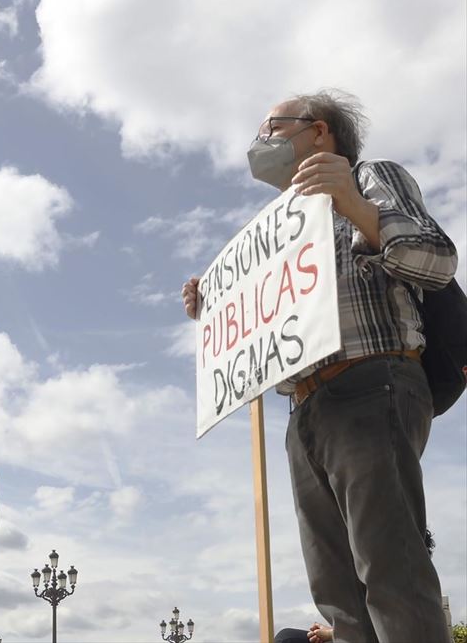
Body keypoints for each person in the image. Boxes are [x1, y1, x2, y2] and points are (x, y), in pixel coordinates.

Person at [182, 90, 457, 641]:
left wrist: (355, 207)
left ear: (319, 131)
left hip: (369, 382)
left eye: (270, 127)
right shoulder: (279, 227)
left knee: (390, 570)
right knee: (337, 593)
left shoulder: (370, 176)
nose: (259, 142)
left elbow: (437, 257)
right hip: (303, 411)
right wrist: (219, 307)